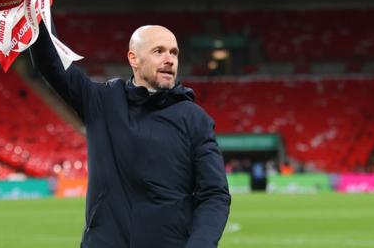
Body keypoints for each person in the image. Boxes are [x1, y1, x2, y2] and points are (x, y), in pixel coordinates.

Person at [29, 23, 231, 248]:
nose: (169, 59)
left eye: (174, 52)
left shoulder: (195, 119)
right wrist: (36, 12)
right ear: (133, 59)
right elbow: (51, 63)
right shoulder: (102, 102)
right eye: (159, 51)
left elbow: (214, 194)